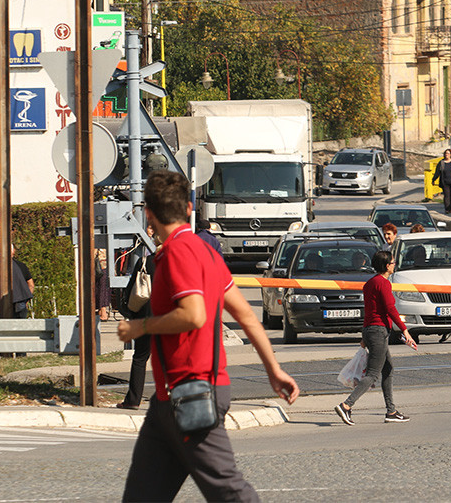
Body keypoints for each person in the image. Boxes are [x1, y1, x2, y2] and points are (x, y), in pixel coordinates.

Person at [118, 170, 298, 502]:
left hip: (192, 393)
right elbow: (246, 315)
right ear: (189, 207)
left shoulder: (178, 252)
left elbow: (193, 314)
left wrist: (139, 327)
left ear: (148, 213)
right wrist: (273, 369)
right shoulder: (207, 252)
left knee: (229, 491)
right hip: (168, 398)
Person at [334, 250, 416, 426]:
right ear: (387, 266)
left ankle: (391, 411)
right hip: (379, 331)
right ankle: (346, 405)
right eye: (393, 263)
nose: (395, 265)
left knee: (388, 369)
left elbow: (369, 310)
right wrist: (405, 330)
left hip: (371, 329)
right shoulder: (383, 284)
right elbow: (390, 308)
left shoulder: (369, 283)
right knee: (373, 374)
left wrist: (365, 334)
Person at [116, 228, 157, 410]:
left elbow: (131, 290)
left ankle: (133, 400)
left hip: (146, 318)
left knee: (140, 358)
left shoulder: (145, 261)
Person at [0, 243, 35, 320]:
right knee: (20, 325)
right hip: (20, 300)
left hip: (2, 302)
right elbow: (31, 285)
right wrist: (26, 299)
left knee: (4, 326)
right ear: (13, 251)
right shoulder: (22, 266)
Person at [432, 149, 451, 214]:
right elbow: (437, 172)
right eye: (445, 153)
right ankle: (447, 209)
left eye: (448, 153)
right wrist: (433, 179)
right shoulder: (441, 162)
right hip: (444, 182)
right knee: (446, 196)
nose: (446, 155)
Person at [94, 249, 112, 321]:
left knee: (103, 284)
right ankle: (100, 309)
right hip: (98, 258)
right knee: (98, 285)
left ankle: (103, 309)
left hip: (103, 259)